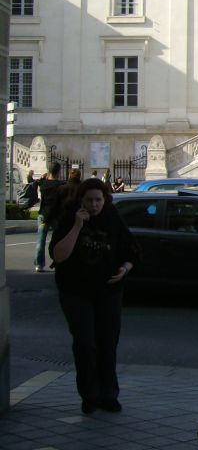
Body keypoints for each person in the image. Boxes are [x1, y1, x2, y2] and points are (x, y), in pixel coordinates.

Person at [50, 177, 138, 414]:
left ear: (105, 200)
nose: (93, 205)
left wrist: (125, 269)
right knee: (85, 343)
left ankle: (109, 393)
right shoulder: (70, 219)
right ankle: (89, 395)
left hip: (108, 291)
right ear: (81, 200)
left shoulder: (113, 220)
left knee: (107, 343)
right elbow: (58, 256)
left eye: (98, 200)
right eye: (89, 200)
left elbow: (131, 251)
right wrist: (77, 226)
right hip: (75, 292)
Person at [35, 161, 65, 273]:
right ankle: (58, 261)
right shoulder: (60, 185)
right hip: (56, 215)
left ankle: (39, 264)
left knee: (40, 240)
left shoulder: (43, 184)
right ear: (58, 171)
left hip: (43, 214)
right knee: (58, 240)